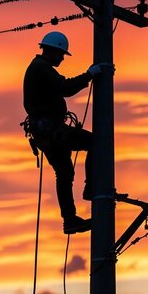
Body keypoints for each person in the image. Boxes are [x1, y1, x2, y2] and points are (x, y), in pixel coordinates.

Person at [23, 31, 108, 234]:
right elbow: (65, 87)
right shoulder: (41, 68)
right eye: (61, 54)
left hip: (45, 133)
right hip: (51, 131)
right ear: (52, 51)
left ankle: (70, 220)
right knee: (95, 142)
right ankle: (91, 187)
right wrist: (90, 74)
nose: (62, 58)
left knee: (64, 172)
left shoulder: (38, 68)